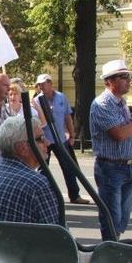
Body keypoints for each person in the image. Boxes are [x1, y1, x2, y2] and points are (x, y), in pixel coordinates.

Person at [90, 59, 132, 241]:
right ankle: (109, 250)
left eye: (128, 76)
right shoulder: (103, 104)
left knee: (122, 218)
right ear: (110, 81)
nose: (128, 80)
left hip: (126, 166)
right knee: (111, 217)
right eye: (124, 77)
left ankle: (114, 244)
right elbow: (120, 134)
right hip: (111, 168)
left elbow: (129, 132)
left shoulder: (121, 102)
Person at [0, 116, 60, 225]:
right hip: (9, 241)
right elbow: (60, 237)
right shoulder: (38, 185)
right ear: (22, 148)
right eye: (41, 138)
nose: (47, 143)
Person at [34, 73, 88, 205]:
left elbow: (67, 117)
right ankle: (43, 197)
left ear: (50, 83)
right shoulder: (36, 100)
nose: (41, 87)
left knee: (68, 167)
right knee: (43, 170)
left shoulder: (61, 97)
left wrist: (72, 134)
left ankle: (74, 195)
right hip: (44, 140)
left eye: (43, 84)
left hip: (60, 138)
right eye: (39, 85)